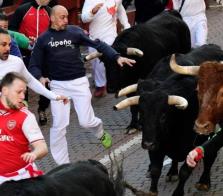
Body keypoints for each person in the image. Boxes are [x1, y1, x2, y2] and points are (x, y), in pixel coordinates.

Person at [28, 5, 135, 165]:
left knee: (86, 121)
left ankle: (100, 133)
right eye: (61, 17)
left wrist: (116, 56)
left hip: (79, 83)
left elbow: (99, 45)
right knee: (58, 126)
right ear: (52, 18)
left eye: (66, 16)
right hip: (58, 86)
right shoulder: (43, 39)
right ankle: (63, 165)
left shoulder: (75, 31)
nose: (65, 20)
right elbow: (33, 64)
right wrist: (40, 77)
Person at [9, 0, 53, 126]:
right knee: (23, 84)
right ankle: (24, 112)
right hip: (25, 54)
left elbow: (53, 32)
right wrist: (25, 41)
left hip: (43, 55)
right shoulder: (23, 10)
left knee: (46, 82)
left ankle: (42, 109)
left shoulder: (49, 11)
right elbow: (12, 31)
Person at [0, 72, 48, 184]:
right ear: (5, 91)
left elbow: (42, 147)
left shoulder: (26, 117)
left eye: (24, 92)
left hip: (22, 179)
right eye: (18, 92)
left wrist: (34, 154)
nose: (23, 96)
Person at [0, 28, 66, 103]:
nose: (8, 48)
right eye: (3, 45)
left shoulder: (16, 62)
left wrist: (54, 96)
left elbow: (30, 81)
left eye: (9, 45)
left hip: (11, 110)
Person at [81, 0, 130, 97]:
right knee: (95, 62)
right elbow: (83, 18)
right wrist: (92, 12)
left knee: (110, 59)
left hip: (110, 35)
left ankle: (104, 85)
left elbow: (120, 9)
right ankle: (100, 82)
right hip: (94, 36)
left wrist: (126, 25)